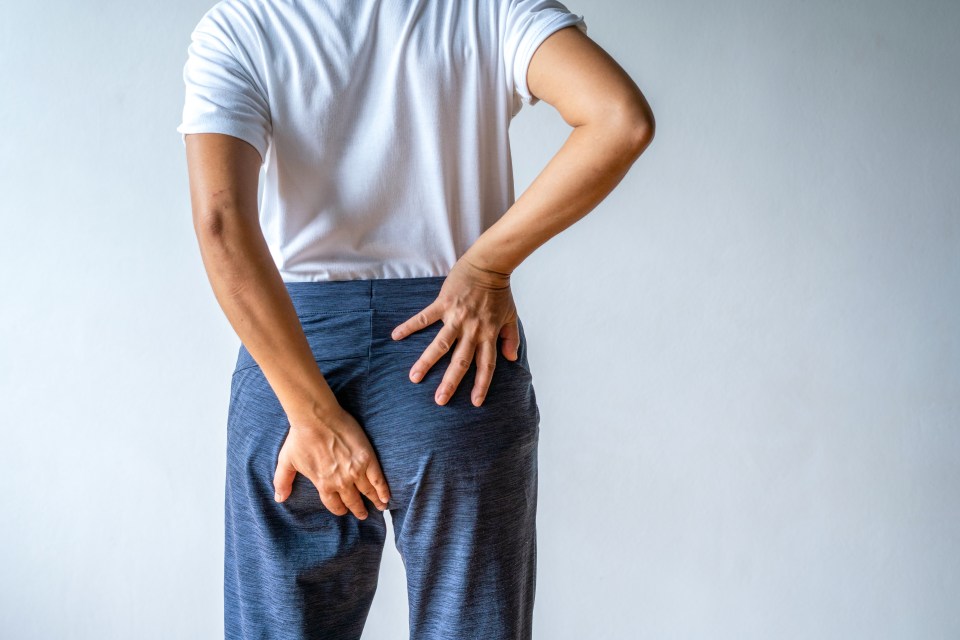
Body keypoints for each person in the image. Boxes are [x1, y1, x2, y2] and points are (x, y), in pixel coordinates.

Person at [177, 0, 654, 637]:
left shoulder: (242, 25)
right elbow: (619, 120)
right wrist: (485, 267)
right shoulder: (492, 11)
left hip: (293, 358)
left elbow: (221, 222)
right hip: (452, 356)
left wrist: (311, 416)